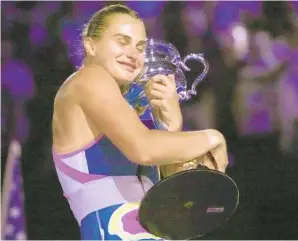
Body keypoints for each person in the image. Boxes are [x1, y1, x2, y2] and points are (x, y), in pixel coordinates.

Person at [51, 4, 228, 240]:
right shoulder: (89, 78)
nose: (133, 54)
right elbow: (142, 148)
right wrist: (212, 138)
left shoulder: (134, 106)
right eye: (122, 42)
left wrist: (171, 124)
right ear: (90, 45)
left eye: (140, 47)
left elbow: (176, 198)